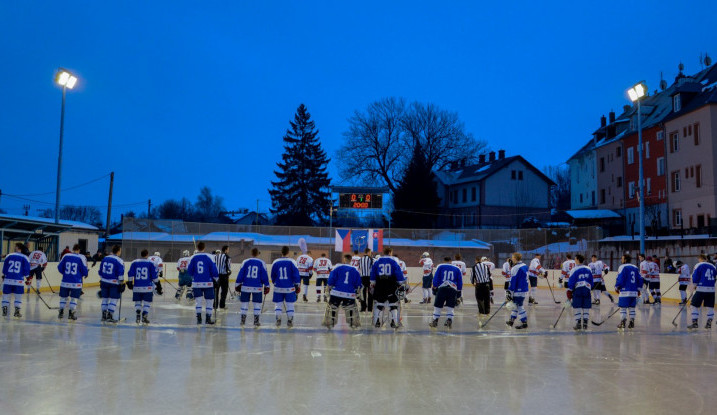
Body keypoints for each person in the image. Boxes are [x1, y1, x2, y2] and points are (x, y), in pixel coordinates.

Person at [370, 247, 405, 328]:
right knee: (393, 304)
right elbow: (398, 272)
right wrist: (401, 283)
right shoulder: (393, 261)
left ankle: (377, 322)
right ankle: (394, 322)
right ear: (390, 252)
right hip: (391, 283)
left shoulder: (377, 261)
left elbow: (373, 273)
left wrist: (373, 283)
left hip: (380, 283)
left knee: (379, 303)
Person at [235, 247, 270, 327]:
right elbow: (264, 276)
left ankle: (243, 320)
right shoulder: (262, 263)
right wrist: (267, 286)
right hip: (257, 287)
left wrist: (237, 284)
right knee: (257, 304)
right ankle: (256, 321)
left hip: (245, 286)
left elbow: (240, 274)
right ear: (258, 254)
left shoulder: (245, 262)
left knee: (244, 304)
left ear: (251, 253)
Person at [326, 254, 363, 328]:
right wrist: (357, 291)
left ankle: (332, 321)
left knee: (333, 306)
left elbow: (331, 279)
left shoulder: (337, 268)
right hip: (349, 294)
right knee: (351, 307)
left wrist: (329, 287)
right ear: (351, 261)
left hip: (336, 292)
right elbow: (358, 284)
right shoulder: (355, 270)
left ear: (344, 259)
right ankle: (352, 322)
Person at [127, 249, 162, 324]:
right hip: (148, 287)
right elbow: (154, 276)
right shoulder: (150, 263)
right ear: (147, 254)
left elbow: (130, 273)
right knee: (147, 303)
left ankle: (138, 315)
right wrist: (158, 284)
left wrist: (130, 282)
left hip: (137, 287)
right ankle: (144, 316)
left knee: (138, 302)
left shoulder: (135, 262)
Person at [187, 242, 219, 325]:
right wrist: (216, 279)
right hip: (208, 282)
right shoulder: (210, 257)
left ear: (197, 248)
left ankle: (199, 319)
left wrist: (194, 276)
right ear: (204, 247)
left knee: (198, 301)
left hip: (196, 283)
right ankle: (208, 318)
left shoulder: (192, 257)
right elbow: (214, 270)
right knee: (209, 301)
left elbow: (189, 271)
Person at [270, 246, 301, 327]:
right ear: (288, 252)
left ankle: (278, 320)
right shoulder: (292, 262)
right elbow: (296, 275)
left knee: (278, 304)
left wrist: (275, 283)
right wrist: (297, 285)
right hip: (289, 288)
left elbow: (273, 275)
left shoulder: (275, 262)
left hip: (278, 287)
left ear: (281, 252)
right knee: (290, 304)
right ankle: (290, 320)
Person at [57, 244, 89, 320]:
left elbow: (59, 267)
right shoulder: (81, 257)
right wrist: (85, 274)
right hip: (76, 282)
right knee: (74, 298)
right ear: (79, 250)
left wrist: (65, 274)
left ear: (73, 249)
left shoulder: (66, 256)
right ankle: (71, 314)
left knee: (63, 298)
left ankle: (61, 313)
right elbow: (84, 270)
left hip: (65, 281)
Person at [429, 257, 463, 328]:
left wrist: (435, 286)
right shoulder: (457, 269)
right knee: (450, 306)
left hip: (442, 288)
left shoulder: (440, 266)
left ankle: (435, 321)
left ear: (444, 261)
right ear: (451, 261)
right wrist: (459, 290)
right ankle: (449, 320)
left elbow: (436, 277)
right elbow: (460, 281)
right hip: (452, 289)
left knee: (438, 306)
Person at [98, 245, 125, 323]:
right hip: (114, 283)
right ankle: (110, 315)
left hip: (104, 281)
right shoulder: (119, 260)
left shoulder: (105, 258)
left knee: (105, 299)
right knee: (114, 299)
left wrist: (102, 278)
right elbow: (120, 273)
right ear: (118, 251)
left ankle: (103, 315)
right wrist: (121, 283)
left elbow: (100, 271)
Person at [688, 254, 716, 330]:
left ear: (700, 258)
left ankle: (695, 323)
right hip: (711, 289)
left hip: (701, 289)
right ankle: (709, 323)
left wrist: (694, 286)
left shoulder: (698, 265)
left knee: (693, 306)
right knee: (710, 307)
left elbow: (695, 276)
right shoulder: (713, 266)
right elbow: (714, 277)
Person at [2, 243, 30, 318]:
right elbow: (26, 270)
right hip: (19, 281)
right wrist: (28, 278)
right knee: (18, 297)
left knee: (5, 296)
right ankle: (17, 312)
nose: (14, 247)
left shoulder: (9, 256)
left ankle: (4, 310)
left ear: (18, 247)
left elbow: (4, 269)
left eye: (15, 246)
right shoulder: (25, 257)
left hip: (8, 280)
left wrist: (4, 275)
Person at [614, 254, 642, 329]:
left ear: (625, 260)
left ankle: (623, 322)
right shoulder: (635, 267)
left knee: (623, 308)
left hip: (624, 291)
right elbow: (639, 279)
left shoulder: (622, 267)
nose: (621, 260)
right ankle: (632, 322)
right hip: (634, 291)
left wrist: (616, 287)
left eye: (622, 259)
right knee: (632, 308)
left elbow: (620, 278)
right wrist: (639, 289)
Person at [567, 254, 593, 330]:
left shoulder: (574, 269)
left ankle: (578, 323)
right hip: (587, 289)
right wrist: (590, 287)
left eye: (575, 259)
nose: (574, 260)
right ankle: (585, 324)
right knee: (586, 306)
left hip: (578, 289)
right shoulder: (588, 268)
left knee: (577, 306)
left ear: (578, 260)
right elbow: (591, 280)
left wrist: (570, 291)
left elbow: (571, 282)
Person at [506, 253, 529, 329]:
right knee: (515, 306)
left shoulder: (515, 268)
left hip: (518, 290)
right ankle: (511, 321)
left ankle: (524, 323)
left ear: (515, 258)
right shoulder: (524, 265)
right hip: (523, 289)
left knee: (519, 307)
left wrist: (509, 291)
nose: (512, 259)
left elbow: (513, 281)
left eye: (513, 257)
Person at [471, 256, 492, 324]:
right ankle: (487, 312)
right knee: (487, 298)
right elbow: (489, 275)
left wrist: (472, 283)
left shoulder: (474, 267)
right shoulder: (485, 266)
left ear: (476, 260)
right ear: (480, 260)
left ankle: (481, 312)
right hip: (486, 284)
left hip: (479, 285)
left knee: (479, 299)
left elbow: (472, 276)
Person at [214, 245, 232, 310]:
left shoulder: (216, 256)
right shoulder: (227, 257)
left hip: (216, 276)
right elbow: (228, 268)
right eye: (228, 249)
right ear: (226, 250)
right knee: (224, 291)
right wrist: (229, 272)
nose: (228, 251)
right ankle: (222, 305)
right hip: (224, 276)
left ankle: (215, 306)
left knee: (216, 291)